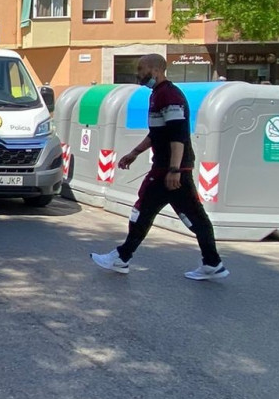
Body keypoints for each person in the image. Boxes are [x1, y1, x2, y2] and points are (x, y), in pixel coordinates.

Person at [90, 53, 229, 281]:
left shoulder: (169, 96)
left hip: (169, 170)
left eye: (141, 69)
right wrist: (134, 153)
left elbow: (177, 136)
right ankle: (212, 263)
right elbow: (157, 134)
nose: (138, 74)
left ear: (155, 70)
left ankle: (122, 257)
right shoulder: (158, 94)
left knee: (144, 210)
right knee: (192, 216)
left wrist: (174, 170)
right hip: (170, 169)